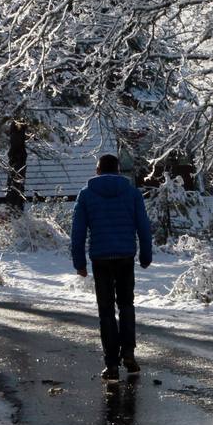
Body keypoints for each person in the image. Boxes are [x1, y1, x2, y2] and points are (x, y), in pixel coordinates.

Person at [71, 153, 152, 380]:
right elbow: (143, 227)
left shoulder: (86, 195)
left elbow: (77, 232)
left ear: (97, 171)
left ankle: (112, 364)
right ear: (118, 171)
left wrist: (79, 263)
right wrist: (146, 255)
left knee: (105, 310)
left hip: (101, 259)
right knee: (126, 305)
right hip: (125, 257)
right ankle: (129, 353)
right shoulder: (132, 193)